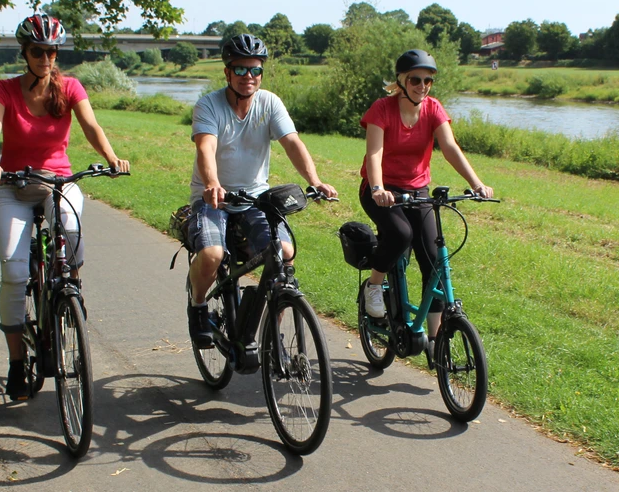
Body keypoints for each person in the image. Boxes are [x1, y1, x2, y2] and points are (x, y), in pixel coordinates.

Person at [0, 13, 130, 400]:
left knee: (70, 225)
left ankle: (68, 291)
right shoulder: (3, 89)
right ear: (24, 53)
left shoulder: (70, 87)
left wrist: (112, 157)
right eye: (37, 51)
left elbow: (91, 126)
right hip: (12, 185)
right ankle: (16, 362)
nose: (45, 58)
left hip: (56, 181)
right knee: (14, 274)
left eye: (51, 51)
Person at [185, 33, 339, 348]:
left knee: (283, 254)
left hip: (255, 198)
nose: (249, 77)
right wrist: (212, 183)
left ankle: (272, 331)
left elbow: (292, 142)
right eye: (240, 70)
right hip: (213, 198)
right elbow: (206, 148)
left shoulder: (269, 103)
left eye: (255, 70)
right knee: (212, 254)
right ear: (227, 72)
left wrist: (315, 180)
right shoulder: (209, 105)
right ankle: (198, 306)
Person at [359, 49, 494, 352]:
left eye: (428, 81)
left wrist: (477, 183)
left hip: (418, 191)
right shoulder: (382, 108)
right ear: (401, 80)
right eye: (416, 79)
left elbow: (450, 147)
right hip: (380, 188)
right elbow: (374, 153)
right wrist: (379, 187)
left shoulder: (433, 109)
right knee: (400, 234)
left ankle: (435, 340)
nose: (422, 86)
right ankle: (374, 286)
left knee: (434, 261)